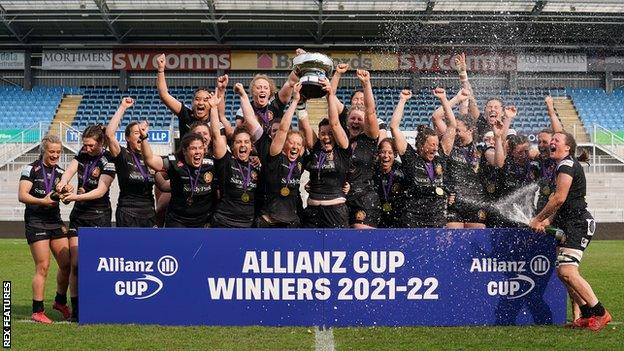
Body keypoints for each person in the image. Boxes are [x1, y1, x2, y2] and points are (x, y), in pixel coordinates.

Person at [529, 132, 611, 331]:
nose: (552, 142)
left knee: (567, 271)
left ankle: (601, 313)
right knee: (562, 273)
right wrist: (547, 221)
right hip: (569, 223)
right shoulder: (562, 165)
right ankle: (587, 314)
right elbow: (561, 206)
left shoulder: (566, 165)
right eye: (552, 140)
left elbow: (559, 199)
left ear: (568, 148)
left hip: (577, 224)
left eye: (557, 140)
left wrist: (538, 219)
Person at [55, 125, 115, 321]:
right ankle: (77, 310)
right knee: (76, 264)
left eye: (90, 146)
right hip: (79, 215)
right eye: (85, 145)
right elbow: (68, 172)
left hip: (99, 215)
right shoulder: (81, 154)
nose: (86, 148)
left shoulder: (109, 160)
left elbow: (100, 191)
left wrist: (74, 197)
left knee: (99, 264)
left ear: (100, 143)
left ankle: (100, 305)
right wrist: (63, 183)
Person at [18, 135, 71, 324]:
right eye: (52, 152)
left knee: (67, 264)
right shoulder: (31, 169)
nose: (55, 155)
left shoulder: (61, 172)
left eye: (58, 152)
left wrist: (67, 193)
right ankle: (37, 310)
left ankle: (59, 301)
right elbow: (22, 195)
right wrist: (42, 201)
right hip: (36, 221)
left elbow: (60, 196)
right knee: (43, 266)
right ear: (44, 151)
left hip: (55, 221)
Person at [390, 89, 451, 228]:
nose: (436, 148)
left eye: (437, 144)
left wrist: (443, 99)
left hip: (437, 218)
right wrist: (402, 100)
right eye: (432, 145)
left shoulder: (439, 158)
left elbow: (452, 125)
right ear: (422, 145)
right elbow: (394, 127)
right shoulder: (410, 158)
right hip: (412, 218)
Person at [300, 78, 351, 228]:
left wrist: (330, 95)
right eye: (322, 133)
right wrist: (300, 101)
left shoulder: (342, 148)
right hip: (312, 211)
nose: (326, 137)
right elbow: (305, 124)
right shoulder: (316, 147)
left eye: (330, 134)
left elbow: (335, 123)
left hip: (335, 211)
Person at [142, 127, 217, 228]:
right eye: (193, 148)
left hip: (203, 222)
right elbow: (150, 159)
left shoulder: (211, 163)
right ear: (185, 151)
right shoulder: (175, 162)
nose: (198, 152)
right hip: (178, 221)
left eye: (200, 148)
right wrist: (144, 138)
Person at [256, 82, 305, 227]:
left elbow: (306, 133)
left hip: (291, 222)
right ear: (284, 144)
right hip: (269, 221)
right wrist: (295, 101)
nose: (295, 146)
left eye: (298, 144)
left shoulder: (299, 161)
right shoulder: (275, 156)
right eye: (291, 143)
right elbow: (283, 129)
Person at [105, 97, 159, 227]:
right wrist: (123, 107)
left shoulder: (151, 158)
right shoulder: (122, 154)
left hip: (149, 212)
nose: (140, 135)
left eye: (142, 132)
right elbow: (109, 135)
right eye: (136, 133)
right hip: (128, 212)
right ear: (127, 138)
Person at [210, 92, 260, 228]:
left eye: (246, 142)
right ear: (233, 146)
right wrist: (213, 108)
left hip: (248, 224)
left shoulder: (257, 165)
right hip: (224, 222)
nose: (243, 145)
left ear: (251, 146)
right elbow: (216, 136)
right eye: (238, 142)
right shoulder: (226, 161)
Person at [156, 53, 233, 139]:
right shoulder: (185, 114)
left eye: (205, 100)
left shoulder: (214, 117)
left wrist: (221, 90)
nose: (200, 102)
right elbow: (164, 95)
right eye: (197, 99)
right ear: (192, 102)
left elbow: (221, 113)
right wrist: (161, 69)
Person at [344, 69, 381, 228]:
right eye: (353, 118)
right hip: (342, 199)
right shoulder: (341, 141)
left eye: (360, 119)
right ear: (347, 122)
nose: (356, 122)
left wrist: (366, 84)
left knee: (362, 245)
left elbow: (371, 112)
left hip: (364, 198)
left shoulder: (369, 139)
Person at [373, 137, 406, 228]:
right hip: (376, 214)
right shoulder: (372, 170)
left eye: (390, 153)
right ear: (378, 153)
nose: (386, 156)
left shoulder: (401, 171)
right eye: (383, 152)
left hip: (397, 216)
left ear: (395, 154)